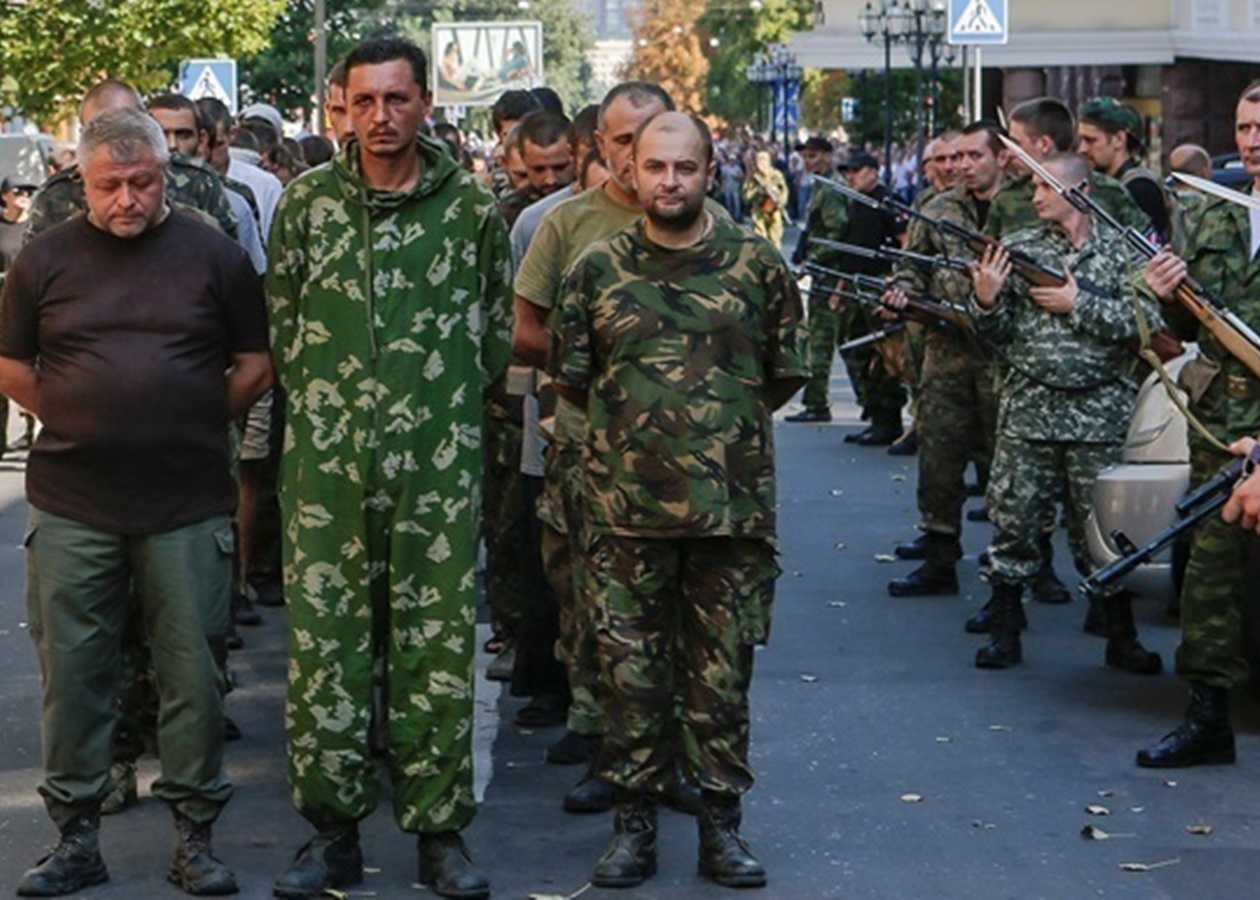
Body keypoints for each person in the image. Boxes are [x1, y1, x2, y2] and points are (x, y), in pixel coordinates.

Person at [1, 106, 272, 897]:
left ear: (169, 176)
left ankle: (196, 838)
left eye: (142, 183)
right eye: (108, 185)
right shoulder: (42, 260)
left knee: (194, 674)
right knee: (76, 675)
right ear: (79, 180)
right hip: (72, 502)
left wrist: (187, 417)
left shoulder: (213, 256)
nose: (126, 199)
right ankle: (76, 838)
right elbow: (13, 365)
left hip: (186, 502)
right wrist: (82, 414)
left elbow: (253, 363)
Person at [265, 36, 511, 899]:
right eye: (362, 101)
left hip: (435, 473)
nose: (379, 117)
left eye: (396, 99)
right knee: (326, 650)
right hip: (326, 471)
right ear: (341, 106)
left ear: (425, 102)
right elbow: (284, 328)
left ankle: (440, 834)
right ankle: (330, 833)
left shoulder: (472, 209)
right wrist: (339, 418)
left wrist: (427, 416)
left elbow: (491, 333)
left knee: (436, 650)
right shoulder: (305, 205)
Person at [549, 109, 805, 890]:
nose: (668, 182)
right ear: (632, 171)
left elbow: (783, 375)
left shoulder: (755, 265)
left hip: (730, 516)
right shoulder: (596, 268)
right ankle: (633, 828)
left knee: (720, 680)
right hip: (626, 517)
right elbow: (573, 378)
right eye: (654, 167)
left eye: (684, 169)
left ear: (709, 170)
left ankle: (723, 830)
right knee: (631, 678)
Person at [512, 81, 687, 814]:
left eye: (652, 136)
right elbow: (524, 331)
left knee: (676, 615)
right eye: (622, 141)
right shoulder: (563, 225)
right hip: (586, 451)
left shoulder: (710, 226)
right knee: (589, 608)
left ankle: (670, 756)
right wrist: (611, 367)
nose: (640, 153)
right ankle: (603, 744)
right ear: (602, 148)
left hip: (684, 459)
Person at [966, 152, 1162, 672]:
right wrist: (984, 301)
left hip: (1100, 412)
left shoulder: (1124, 251)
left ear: (1081, 192)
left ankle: (1120, 635)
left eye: (1046, 186)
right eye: (1033, 185)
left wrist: (1079, 304)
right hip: (1030, 407)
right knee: (1013, 522)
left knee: (1102, 528)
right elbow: (997, 333)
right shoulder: (1019, 248)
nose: (1035, 196)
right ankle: (1006, 628)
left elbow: (1144, 326)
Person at [1135, 79, 1260, 770]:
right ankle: (1208, 716)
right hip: (1222, 424)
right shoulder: (1213, 214)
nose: (1252, 140)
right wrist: (1166, 295)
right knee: (1209, 576)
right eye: (1244, 127)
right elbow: (1187, 328)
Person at [883, 121, 1006, 597]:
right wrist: (903, 293)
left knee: (1010, 467)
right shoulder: (938, 210)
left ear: (1000, 157)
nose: (964, 166)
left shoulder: (1021, 207)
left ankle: (1018, 568)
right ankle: (939, 555)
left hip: (1005, 357)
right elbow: (911, 267)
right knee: (939, 458)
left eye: (975, 156)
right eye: (958, 157)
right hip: (948, 353)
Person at [1078, 96, 1171, 244]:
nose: (1082, 149)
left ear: (1119, 140)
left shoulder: (1141, 188)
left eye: (1091, 140)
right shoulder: (1107, 183)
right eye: (1081, 140)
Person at [742, 150, 788, 250]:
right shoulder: (753, 177)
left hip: (774, 210)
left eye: (764, 161)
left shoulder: (776, 175)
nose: (761, 164)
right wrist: (758, 191)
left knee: (775, 239)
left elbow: (784, 191)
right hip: (759, 210)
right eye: (759, 161)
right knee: (760, 239)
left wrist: (780, 201)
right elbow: (746, 195)